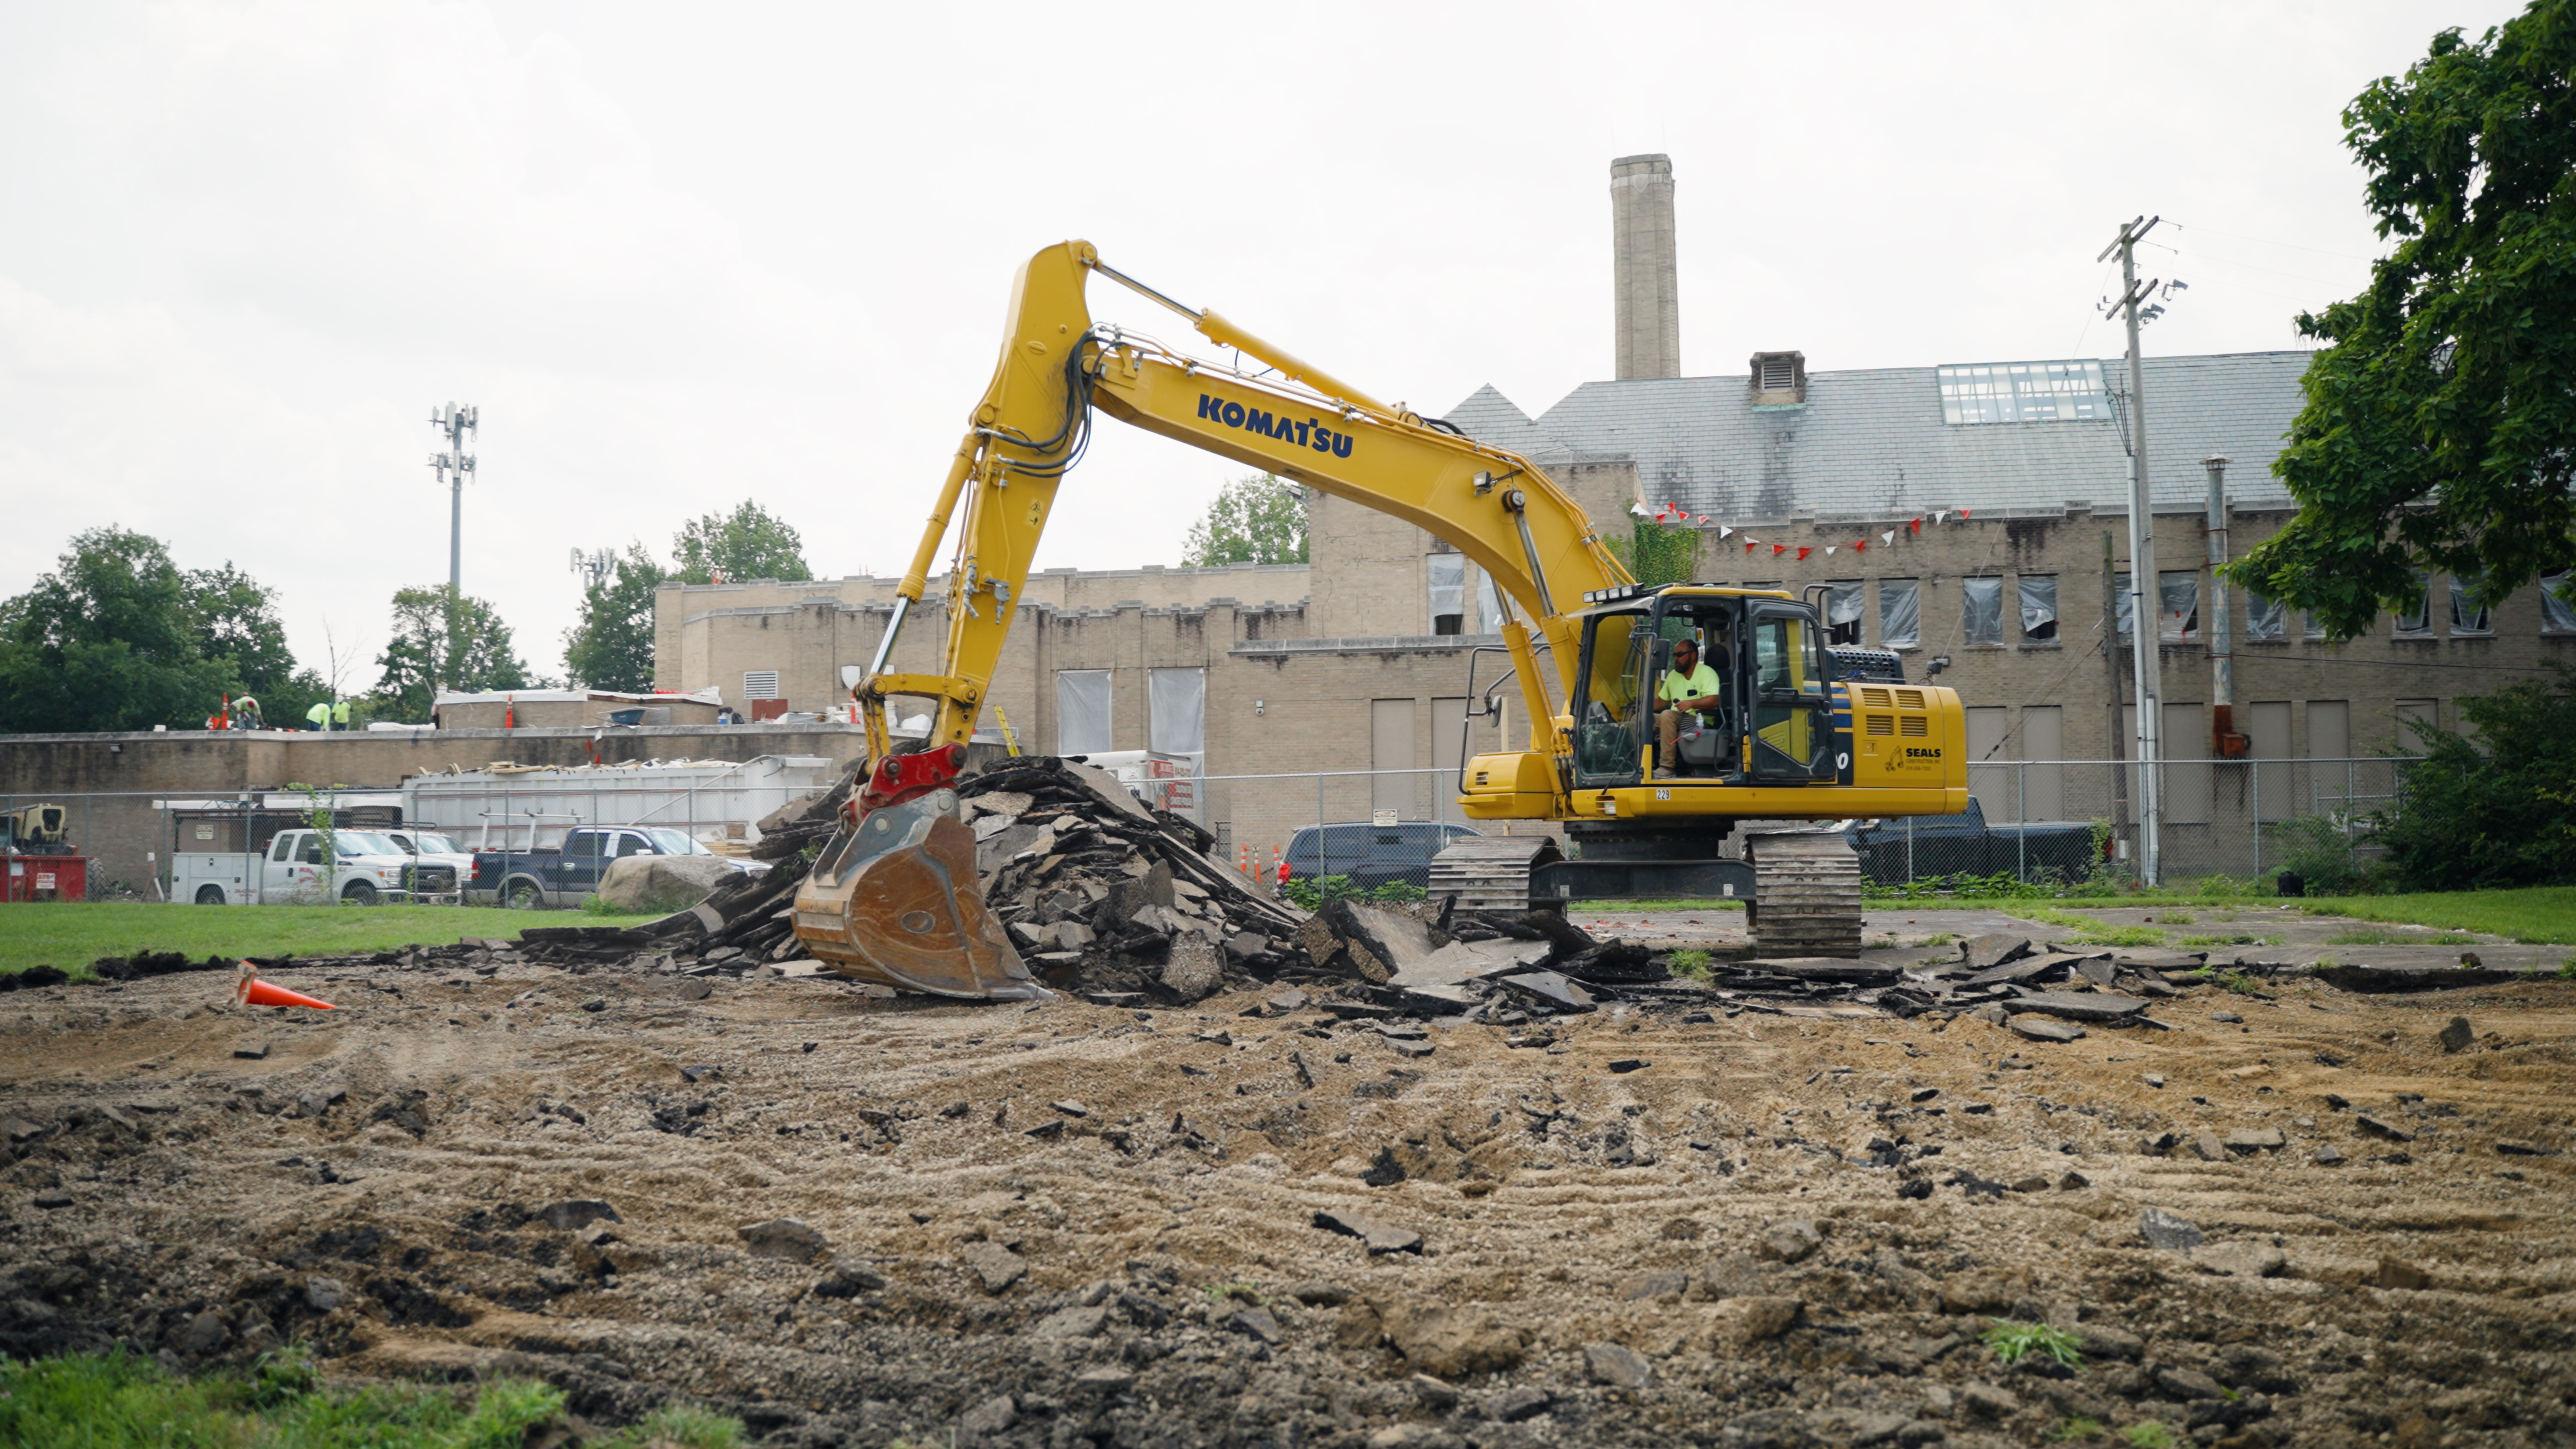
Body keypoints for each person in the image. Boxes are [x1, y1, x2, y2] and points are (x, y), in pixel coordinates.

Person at [1653, 636, 1723, 782]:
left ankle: (1667, 767)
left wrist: (1691, 704)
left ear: (1693, 656)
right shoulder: (1673, 676)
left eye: (1680, 655)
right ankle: (1646, 764)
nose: (1676, 659)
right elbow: (1661, 701)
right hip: (1675, 719)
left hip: (1699, 721)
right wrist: (1640, 707)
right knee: (1641, 718)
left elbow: (1715, 700)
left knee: (1667, 715)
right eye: (1674, 655)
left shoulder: (1706, 673)